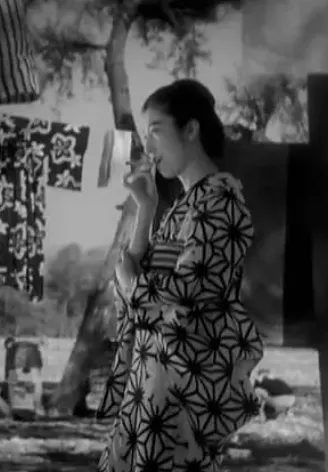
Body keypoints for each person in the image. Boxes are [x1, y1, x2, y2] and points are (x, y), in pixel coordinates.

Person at [97, 79, 265, 472]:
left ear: (190, 130)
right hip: (152, 385)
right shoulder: (183, 205)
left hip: (182, 387)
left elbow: (191, 290)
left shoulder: (220, 198)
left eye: (156, 131)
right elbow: (136, 290)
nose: (148, 147)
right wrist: (146, 209)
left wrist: (133, 285)